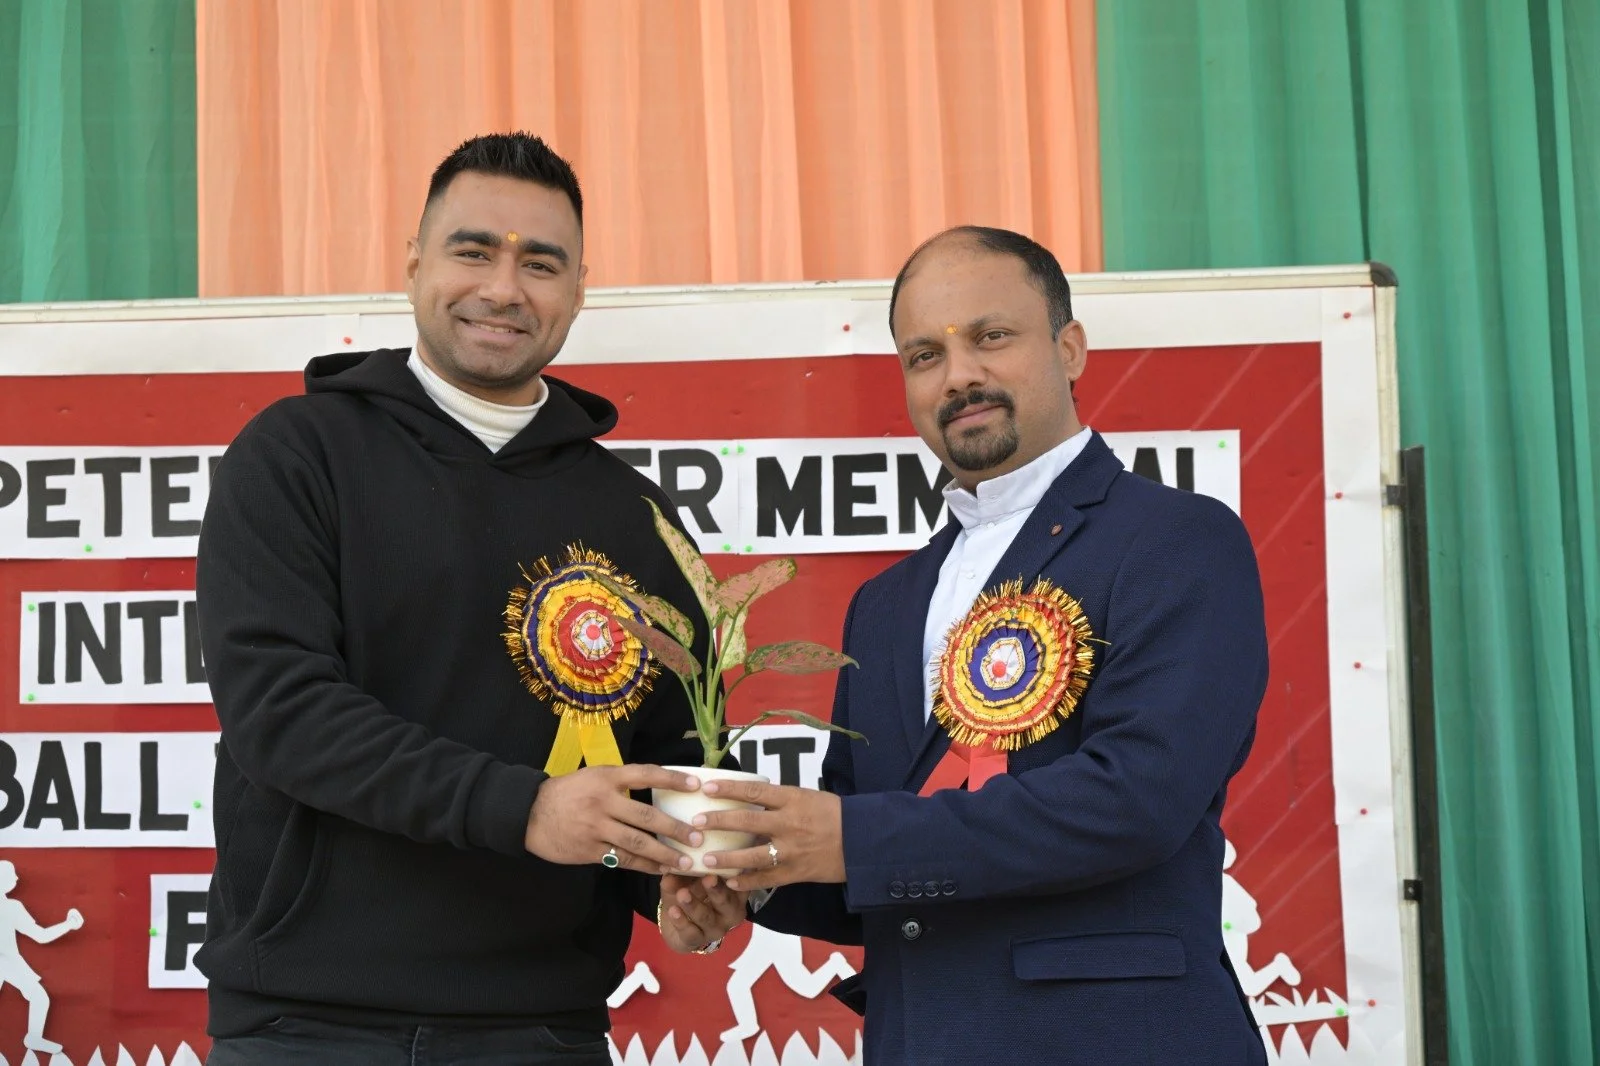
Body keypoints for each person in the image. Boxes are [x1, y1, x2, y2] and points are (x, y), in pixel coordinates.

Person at [196, 132, 745, 1065]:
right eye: (473, 249)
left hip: (543, 1031)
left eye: (540, 263)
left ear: (578, 289)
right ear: (414, 263)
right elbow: (281, 715)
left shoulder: (637, 516)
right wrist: (523, 808)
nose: (503, 286)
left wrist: (677, 885)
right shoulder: (296, 454)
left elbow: (661, 758)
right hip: (309, 1026)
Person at [693, 226, 1272, 1064]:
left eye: (991, 338)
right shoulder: (885, 606)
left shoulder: (1177, 540)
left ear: (1070, 348)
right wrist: (752, 878)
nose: (959, 375)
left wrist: (849, 840)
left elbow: (1135, 800)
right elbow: (875, 873)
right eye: (924, 355)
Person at [0, 860, 83, 1055]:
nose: (17, 878)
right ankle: (34, 1037)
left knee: (39, 996)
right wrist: (68, 925)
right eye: (12, 875)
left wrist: (67, 925)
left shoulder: (12, 907)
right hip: (7, 961)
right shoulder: (11, 907)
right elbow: (41, 936)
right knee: (38, 996)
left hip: (8, 960)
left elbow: (40, 936)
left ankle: (34, 1038)